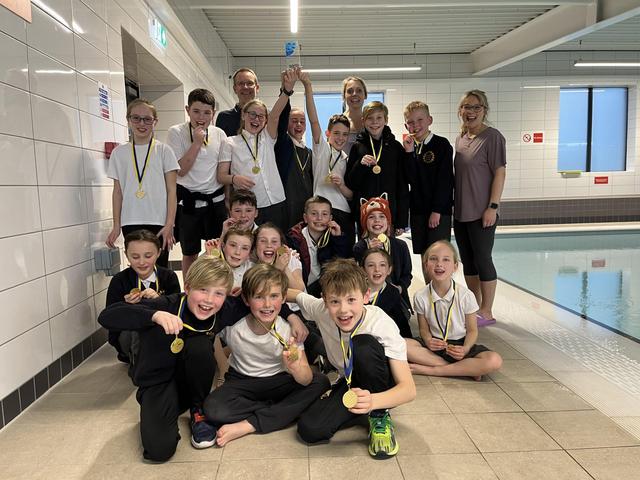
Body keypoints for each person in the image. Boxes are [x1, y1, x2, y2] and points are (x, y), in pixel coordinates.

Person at [98, 256, 235, 461]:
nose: (209, 299)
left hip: (190, 385)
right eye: (202, 290)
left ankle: (198, 409)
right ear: (187, 288)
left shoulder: (223, 309)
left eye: (218, 293)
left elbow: (262, 304)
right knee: (159, 451)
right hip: (158, 382)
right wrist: (153, 316)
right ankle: (162, 410)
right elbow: (107, 316)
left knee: (199, 345)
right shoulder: (165, 304)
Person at [290, 259, 416, 459]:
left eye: (351, 300)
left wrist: (373, 401)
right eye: (335, 301)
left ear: (366, 296)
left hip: (381, 381)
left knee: (362, 344)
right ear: (324, 300)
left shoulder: (380, 323)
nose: (343, 309)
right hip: (350, 382)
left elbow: (408, 390)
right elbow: (295, 295)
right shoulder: (320, 309)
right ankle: (360, 410)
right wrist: (284, 311)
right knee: (310, 429)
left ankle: (379, 415)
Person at [203, 264, 329, 446]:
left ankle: (249, 424)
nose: (267, 304)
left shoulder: (289, 328)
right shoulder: (232, 324)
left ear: (283, 298)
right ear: (246, 299)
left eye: (274, 296)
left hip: (280, 380)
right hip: (241, 381)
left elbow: (306, 379)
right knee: (213, 409)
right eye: (259, 297)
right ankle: (284, 411)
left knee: (321, 382)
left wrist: (296, 369)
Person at [406, 241, 503, 379]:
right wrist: (427, 340)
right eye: (433, 259)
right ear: (425, 265)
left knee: (494, 360)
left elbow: (472, 330)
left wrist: (466, 349)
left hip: (460, 346)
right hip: (434, 345)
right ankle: (465, 369)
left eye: (446, 259)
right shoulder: (420, 296)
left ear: (455, 266)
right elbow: (423, 329)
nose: (439, 264)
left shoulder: (466, 296)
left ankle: (433, 370)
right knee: (400, 345)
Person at [217, 69, 298, 231]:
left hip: (276, 200)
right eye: (252, 114)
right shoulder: (230, 142)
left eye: (261, 116)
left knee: (276, 242)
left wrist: (287, 90)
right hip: (251, 207)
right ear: (243, 115)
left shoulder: (267, 137)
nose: (256, 119)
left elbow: (275, 115)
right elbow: (221, 176)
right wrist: (234, 179)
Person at [453, 90, 506, 326]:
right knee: (468, 260)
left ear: (484, 110)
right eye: (467, 107)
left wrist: (492, 206)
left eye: (476, 107)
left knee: (483, 259)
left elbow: (500, 173)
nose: (471, 112)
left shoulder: (492, 137)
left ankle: (487, 310)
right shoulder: (461, 138)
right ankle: (474, 306)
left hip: (482, 210)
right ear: (460, 110)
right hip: (461, 211)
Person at [105, 98, 178, 267]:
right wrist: (116, 225)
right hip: (130, 220)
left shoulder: (164, 151)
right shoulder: (119, 153)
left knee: (159, 268)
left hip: (159, 221)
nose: (142, 123)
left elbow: (172, 191)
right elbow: (118, 192)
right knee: (138, 267)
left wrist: (170, 224)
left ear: (155, 122)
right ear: (128, 120)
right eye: (136, 118)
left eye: (147, 119)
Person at [167, 88, 228, 275]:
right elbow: (181, 170)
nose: (201, 117)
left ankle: (216, 287)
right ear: (187, 110)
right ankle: (189, 288)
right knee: (190, 253)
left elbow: (223, 170)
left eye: (207, 113)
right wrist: (196, 143)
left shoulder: (219, 134)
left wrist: (227, 201)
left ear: (213, 113)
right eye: (196, 111)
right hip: (188, 203)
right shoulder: (176, 132)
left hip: (215, 202)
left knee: (217, 251)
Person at [105, 230, 181, 364]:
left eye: (148, 256)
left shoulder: (169, 277)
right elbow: (109, 320)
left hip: (162, 335)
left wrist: (160, 300)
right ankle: (139, 364)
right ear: (126, 255)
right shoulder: (119, 281)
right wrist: (126, 307)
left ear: (158, 253)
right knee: (137, 329)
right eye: (135, 257)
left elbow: (177, 312)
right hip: (130, 338)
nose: (142, 262)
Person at [301, 71, 355, 246]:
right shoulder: (322, 149)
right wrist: (308, 86)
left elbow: (350, 195)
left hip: (343, 213)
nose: (341, 138)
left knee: (344, 256)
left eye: (345, 134)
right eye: (336, 133)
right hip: (321, 212)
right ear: (327, 133)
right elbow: (313, 121)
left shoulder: (347, 159)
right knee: (323, 255)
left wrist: (341, 185)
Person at [402, 101, 454, 281]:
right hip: (418, 211)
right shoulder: (410, 148)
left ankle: (442, 294)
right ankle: (429, 293)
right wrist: (408, 153)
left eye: (420, 120)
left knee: (438, 258)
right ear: (406, 126)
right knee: (425, 258)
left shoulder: (441, 145)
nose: (415, 125)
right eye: (410, 122)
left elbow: (445, 181)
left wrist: (437, 210)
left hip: (437, 212)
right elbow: (410, 179)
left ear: (429, 120)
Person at [345, 101, 409, 235]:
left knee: (388, 247)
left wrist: (401, 221)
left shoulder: (396, 148)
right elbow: (350, 183)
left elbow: (402, 186)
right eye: (370, 118)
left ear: (386, 120)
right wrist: (360, 165)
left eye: (379, 117)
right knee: (366, 247)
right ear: (363, 121)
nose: (375, 122)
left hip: (389, 214)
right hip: (365, 214)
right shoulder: (357, 147)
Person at [353, 195, 412, 310]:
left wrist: (400, 288)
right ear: (365, 223)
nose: (377, 220)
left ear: (388, 222)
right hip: (368, 298)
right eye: (371, 217)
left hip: (395, 298)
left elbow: (407, 275)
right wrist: (368, 252)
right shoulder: (359, 247)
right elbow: (356, 274)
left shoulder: (400, 246)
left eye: (382, 216)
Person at [287, 196, 351, 296]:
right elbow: (282, 255)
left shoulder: (334, 236)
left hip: (326, 289)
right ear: (305, 218)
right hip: (301, 289)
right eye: (314, 214)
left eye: (324, 214)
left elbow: (341, 264)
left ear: (330, 218)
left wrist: (338, 238)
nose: (319, 218)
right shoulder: (293, 238)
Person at [360, 248, 412, 339]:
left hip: (383, 338)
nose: (377, 269)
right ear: (363, 270)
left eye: (382, 265)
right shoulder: (356, 291)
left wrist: (409, 340)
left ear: (389, 270)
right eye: (371, 265)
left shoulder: (392, 292)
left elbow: (402, 323)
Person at [215, 68, 261, 137]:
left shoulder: (267, 118)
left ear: (257, 88)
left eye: (249, 83)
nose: (245, 87)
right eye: (241, 83)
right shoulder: (224, 118)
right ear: (235, 89)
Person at [341, 76, 368, 155]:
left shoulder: (371, 122)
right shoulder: (338, 122)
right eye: (350, 91)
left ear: (365, 95)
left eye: (359, 90)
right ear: (344, 96)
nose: (354, 94)